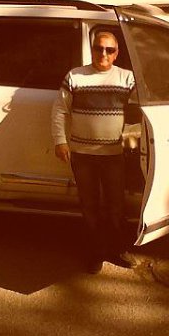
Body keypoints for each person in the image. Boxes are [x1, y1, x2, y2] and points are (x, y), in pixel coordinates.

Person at [51, 31, 136, 274]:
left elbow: (139, 112)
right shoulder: (75, 76)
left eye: (109, 50)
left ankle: (118, 248)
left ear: (117, 53)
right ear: (92, 49)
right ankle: (96, 252)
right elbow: (59, 110)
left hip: (114, 155)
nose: (103, 53)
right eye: (99, 48)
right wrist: (60, 141)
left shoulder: (127, 78)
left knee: (116, 205)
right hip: (83, 154)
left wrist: (132, 140)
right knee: (89, 205)